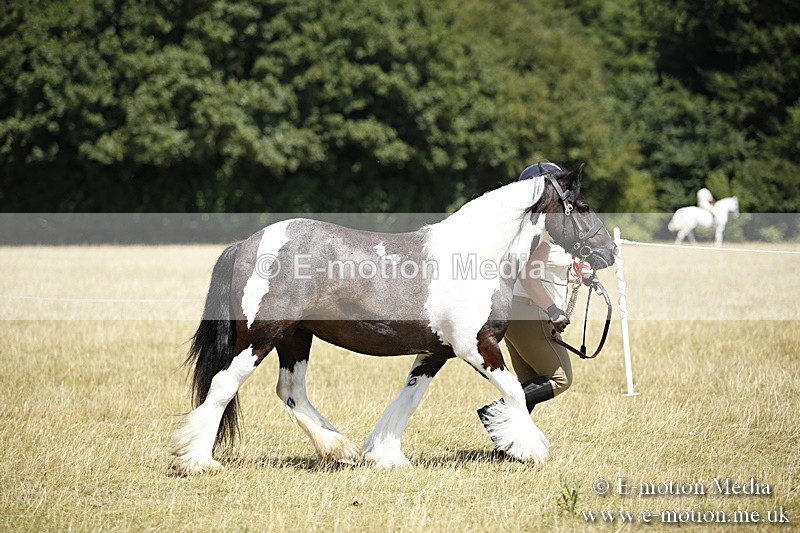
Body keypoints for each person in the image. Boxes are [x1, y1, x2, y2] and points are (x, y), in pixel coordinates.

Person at [478, 162, 575, 421]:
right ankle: (493, 414)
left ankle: (507, 446)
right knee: (560, 379)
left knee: (531, 382)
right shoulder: (546, 228)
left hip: (516, 310)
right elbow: (530, 274)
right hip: (531, 311)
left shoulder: (527, 225)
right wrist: (553, 309)